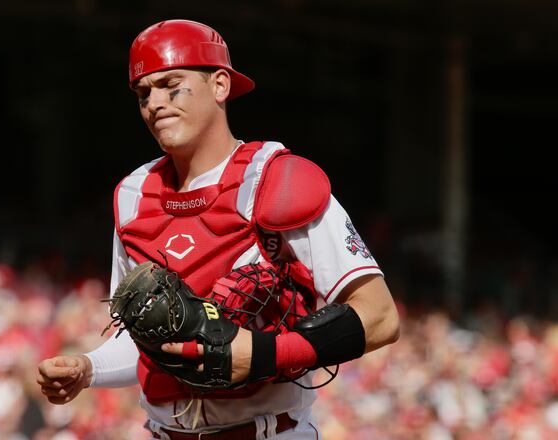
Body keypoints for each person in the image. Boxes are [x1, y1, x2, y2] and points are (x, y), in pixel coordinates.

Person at [37, 19, 400, 439]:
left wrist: (266, 354)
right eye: (143, 93)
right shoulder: (133, 197)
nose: (154, 102)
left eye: (171, 84)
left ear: (221, 85)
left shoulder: (277, 182)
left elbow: (380, 317)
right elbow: (143, 339)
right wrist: (88, 368)